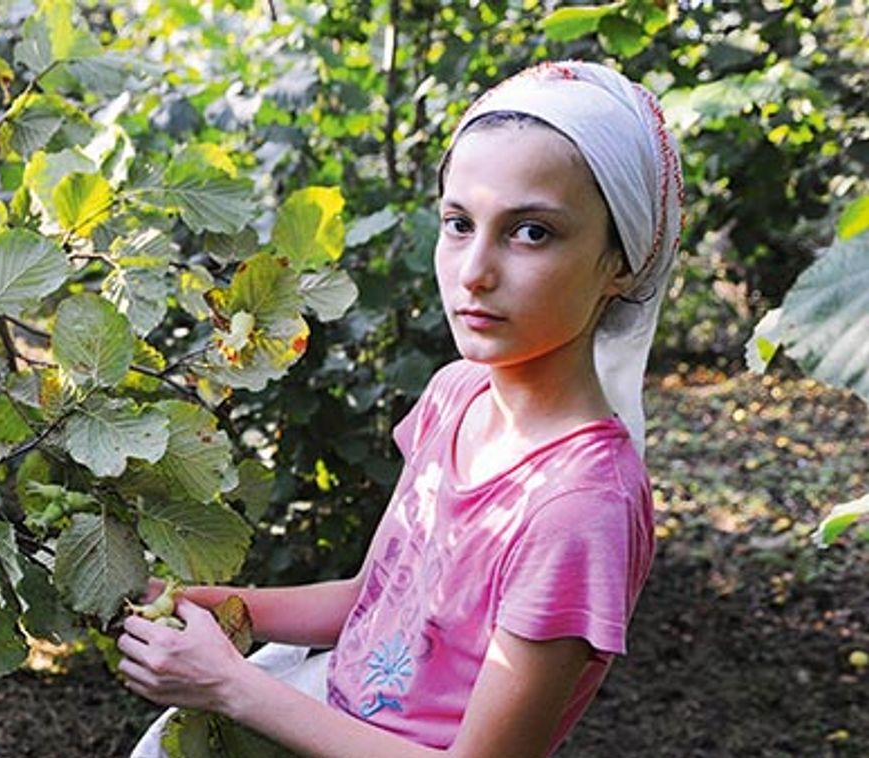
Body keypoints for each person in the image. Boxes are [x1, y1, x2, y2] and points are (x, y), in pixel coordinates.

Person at [118, 60, 683, 758]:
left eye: (531, 231)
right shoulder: (457, 394)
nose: (474, 270)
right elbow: (375, 599)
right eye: (457, 223)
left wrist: (231, 685)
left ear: (621, 262)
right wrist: (214, 605)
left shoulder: (577, 508)